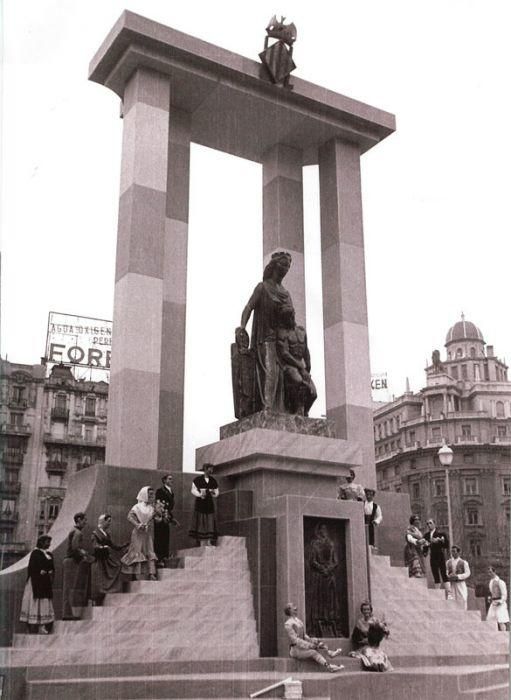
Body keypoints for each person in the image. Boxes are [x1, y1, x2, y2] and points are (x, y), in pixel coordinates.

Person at [239, 250, 294, 412]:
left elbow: (291, 323)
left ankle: (283, 408)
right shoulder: (262, 288)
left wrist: (289, 314)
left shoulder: (286, 293)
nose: (286, 269)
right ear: (275, 266)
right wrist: (242, 327)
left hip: (282, 340)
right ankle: (267, 407)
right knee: (270, 371)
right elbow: (249, 307)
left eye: (288, 266)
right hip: (265, 338)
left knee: (284, 374)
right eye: (284, 264)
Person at [276, 304, 317, 416]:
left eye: (291, 316)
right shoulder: (283, 333)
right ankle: (296, 409)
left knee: (313, 394)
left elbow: (306, 352)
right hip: (290, 366)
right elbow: (285, 354)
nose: (290, 319)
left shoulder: (301, 331)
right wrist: (300, 366)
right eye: (287, 318)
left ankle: (304, 411)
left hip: (301, 367)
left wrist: (307, 369)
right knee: (298, 381)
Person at [284, 603, 343, 673]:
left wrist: (311, 640)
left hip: (303, 646)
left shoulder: (298, 621)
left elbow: (304, 635)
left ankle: (330, 653)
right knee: (313, 652)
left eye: (294, 606)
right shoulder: (288, 624)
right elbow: (295, 640)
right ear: (289, 611)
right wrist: (310, 645)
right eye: (292, 607)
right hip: (296, 650)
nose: (295, 608)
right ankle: (330, 667)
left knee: (316, 641)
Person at [121, 486, 160, 580]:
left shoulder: (152, 508)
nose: (152, 496)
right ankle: (137, 574)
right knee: (137, 551)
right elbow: (129, 517)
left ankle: (151, 573)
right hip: (138, 533)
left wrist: (159, 515)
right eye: (150, 494)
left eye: (153, 494)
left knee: (149, 550)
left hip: (147, 533)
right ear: (144, 494)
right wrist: (137, 524)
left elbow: (156, 519)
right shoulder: (137, 506)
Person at [307, 523, 340, 636]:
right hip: (319, 576)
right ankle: (316, 625)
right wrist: (322, 569)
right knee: (319, 599)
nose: (324, 531)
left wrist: (329, 569)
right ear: (319, 531)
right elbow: (312, 560)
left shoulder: (331, 544)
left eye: (325, 529)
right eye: (322, 529)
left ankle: (332, 622)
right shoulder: (314, 544)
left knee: (330, 600)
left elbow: (335, 561)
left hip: (329, 576)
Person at [19, 535, 55, 634]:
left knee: (44, 603)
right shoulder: (35, 553)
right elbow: (32, 567)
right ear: (42, 542)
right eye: (47, 542)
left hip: (45, 583)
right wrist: (40, 571)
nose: (49, 544)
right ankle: (33, 626)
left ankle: (43, 625)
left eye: (49, 542)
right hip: (36, 583)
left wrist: (50, 572)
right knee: (34, 603)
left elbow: (51, 566)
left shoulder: (49, 554)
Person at [91, 514, 127, 605]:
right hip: (100, 559)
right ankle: (101, 594)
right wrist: (103, 547)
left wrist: (123, 546)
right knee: (100, 577)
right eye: (108, 521)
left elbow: (113, 545)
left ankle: (111, 589)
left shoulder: (106, 533)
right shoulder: (95, 533)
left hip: (106, 558)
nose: (109, 523)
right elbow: (95, 546)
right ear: (103, 521)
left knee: (118, 565)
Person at [62, 512, 91, 620]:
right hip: (72, 562)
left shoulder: (74, 531)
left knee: (69, 589)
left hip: (70, 562)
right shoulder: (78, 533)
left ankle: (68, 613)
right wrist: (84, 555)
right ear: (79, 519)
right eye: (84, 520)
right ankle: (70, 614)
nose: (86, 522)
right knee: (71, 589)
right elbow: (75, 548)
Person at [189, 464, 219, 546]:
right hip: (200, 503)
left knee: (209, 521)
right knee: (201, 521)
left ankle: (209, 541)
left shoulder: (213, 480)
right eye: (210, 469)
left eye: (212, 469)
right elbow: (193, 490)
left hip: (209, 503)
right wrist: (200, 494)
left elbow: (216, 492)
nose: (211, 471)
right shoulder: (198, 479)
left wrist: (213, 492)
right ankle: (202, 541)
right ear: (205, 469)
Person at [154, 474, 179, 566]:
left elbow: (169, 508)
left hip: (166, 517)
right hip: (160, 517)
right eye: (169, 479)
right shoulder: (160, 491)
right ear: (164, 480)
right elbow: (159, 505)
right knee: (160, 537)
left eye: (172, 479)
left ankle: (164, 557)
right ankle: (159, 558)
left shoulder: (171, 492)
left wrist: (171, 518)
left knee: (165, 537)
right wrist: (165, 517)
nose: (172, 480)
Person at [423, 518, 451, 597]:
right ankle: (438, 593)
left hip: (440, 555)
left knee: (443, 573)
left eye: (430, 523)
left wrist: (440, 541)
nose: (429, 525)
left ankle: (449, 593)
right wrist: (425, 551)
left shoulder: (441, 534)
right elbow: (425, 547)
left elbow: (446, 545)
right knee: (435, 574)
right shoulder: (426, 535)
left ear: (434, 524)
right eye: (427, 524)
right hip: (433, 556)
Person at [445, 545, 471, 610]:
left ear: (458, 552)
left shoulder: (464, 562)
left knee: (463, 598)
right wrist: (449, 576)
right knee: (451, 599)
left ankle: (463, 614)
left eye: (454, 551)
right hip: (452, 584)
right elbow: (446, 572)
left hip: (460, 583)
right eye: (452, 551)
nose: (452, 553)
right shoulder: (448, 562)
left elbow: (468, 573)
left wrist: (458, 576)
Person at [486, 566, 509, 631]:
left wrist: (500, 601)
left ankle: (504, 636)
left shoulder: (500, 582)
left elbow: (504, 594)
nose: (489, 574)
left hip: (500, 603)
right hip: (493, 603)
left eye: (490, 572)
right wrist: (490, 598)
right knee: (490, 620)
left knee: (501, 620)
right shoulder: (490, 582)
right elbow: (491, 592)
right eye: (488, 573)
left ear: (494, 572)